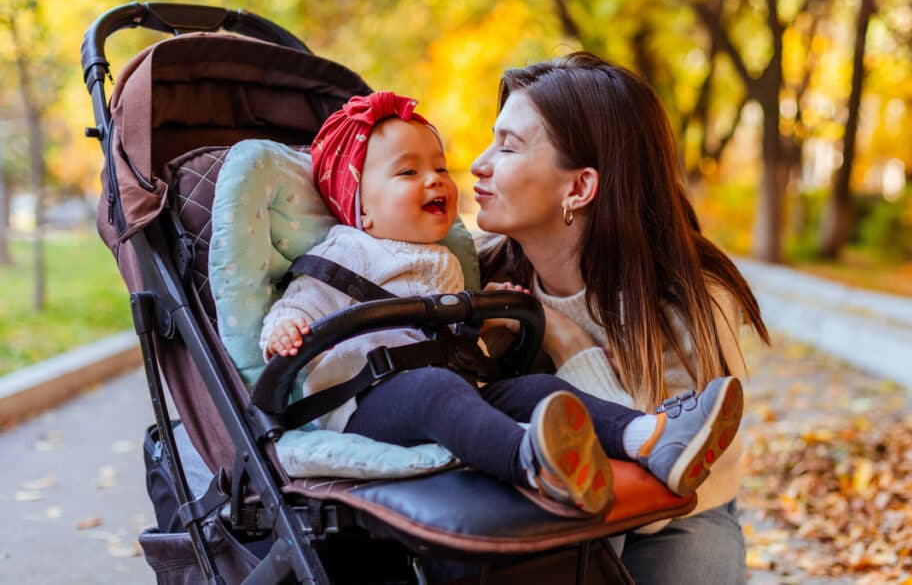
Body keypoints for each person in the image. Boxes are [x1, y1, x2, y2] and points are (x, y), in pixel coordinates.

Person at [261, 90, 744, 517]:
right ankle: (534, 462)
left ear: (579, 188)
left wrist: (499, 324)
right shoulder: (346, 250)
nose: (451, 175)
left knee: (534, 389)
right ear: (359, 206)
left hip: (679, 515)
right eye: (409, 172)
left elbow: (455, 345)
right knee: (434, 391)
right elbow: (305, 299)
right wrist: (285, 326)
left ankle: (647, 437)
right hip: (367, 400)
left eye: (438, 168)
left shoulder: (450, 260)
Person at [471, 53, 770, 582]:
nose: (479, 163)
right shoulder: (480, 265)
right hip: (537, 497)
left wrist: (566, 343)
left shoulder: (692, 303)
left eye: (508, 146)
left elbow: (660, 480)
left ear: (579, 188)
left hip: (677, 511)